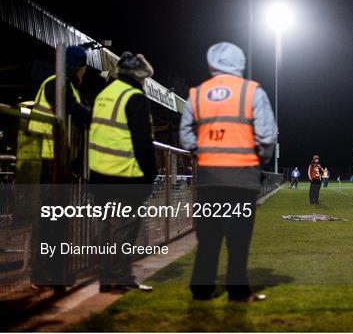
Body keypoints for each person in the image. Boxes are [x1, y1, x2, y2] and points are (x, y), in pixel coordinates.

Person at [180, 42, 277, 303]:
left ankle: (201, 290)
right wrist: (260, 161)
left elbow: (185, 133)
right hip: (243, 178)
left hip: (209, 177)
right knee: (238, 239)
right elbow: (267, 136)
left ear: (211, 64)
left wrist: (200, 150)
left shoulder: (198, 94)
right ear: (240, 63)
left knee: (208, 237)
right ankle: (237, 291)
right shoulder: (252, 92)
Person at [89, 52, 156, 293]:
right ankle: (121, 278)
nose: (145, 83)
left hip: (99, 175)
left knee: (105, 229)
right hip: (124, 175)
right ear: (138, 77)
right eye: (144, 79)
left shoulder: (103, 95)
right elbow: (142, 143)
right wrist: (150, 176)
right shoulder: (135, 97)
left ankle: (107, 279)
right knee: (124, 230)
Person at [27, 45, 91, 292]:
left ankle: (53, 271)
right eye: (84, 68)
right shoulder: (59, 84)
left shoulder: (62, 84)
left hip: (54, 161)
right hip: (48, 161)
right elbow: (77, 112)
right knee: (51, 221)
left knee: (54, 220)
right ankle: (47, 273)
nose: (85, 73)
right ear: (78, 67)